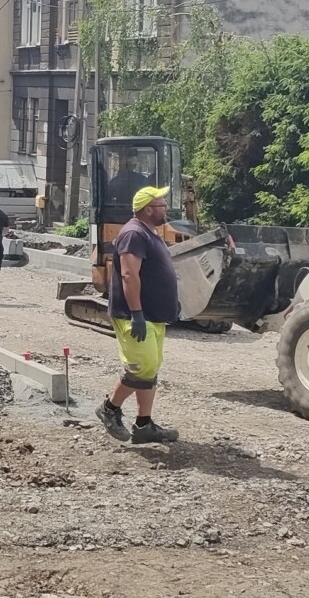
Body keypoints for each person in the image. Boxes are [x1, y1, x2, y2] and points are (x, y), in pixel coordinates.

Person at [96, 185, 181, 444]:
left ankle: (144, 425)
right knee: (141, 369)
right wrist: (136, 313)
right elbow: (128, 274)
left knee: (151, 368)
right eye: (162, 206)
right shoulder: (133, 234)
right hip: (135, 314)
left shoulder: (150, 232)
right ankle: (109, 409)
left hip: (153, 314)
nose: (166, 209)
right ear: (147, 209)